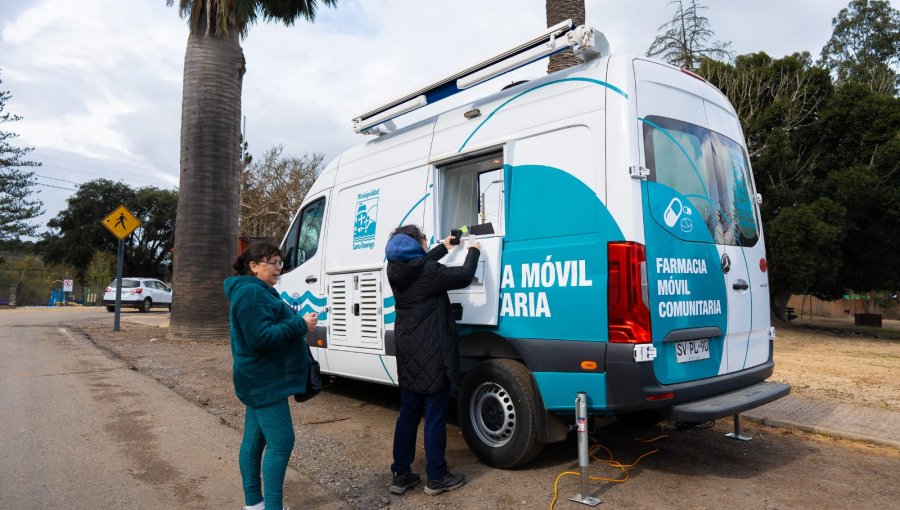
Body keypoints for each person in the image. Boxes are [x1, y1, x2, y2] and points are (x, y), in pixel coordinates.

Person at [384, 224, 481, 496]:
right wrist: (473, 250)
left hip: (408, 351)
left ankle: (401, 474)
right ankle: (436, 476)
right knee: (435, 415)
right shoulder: (427, 272)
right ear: (415, 244)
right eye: (425, 241)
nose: (427, 244)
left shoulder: (395, 268)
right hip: (431, 352)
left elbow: (421, 264)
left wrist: (445, 247)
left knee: (408, 415)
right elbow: (463, 276)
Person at [224, 241, 318, 510]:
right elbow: (260, 338)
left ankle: (254, 504)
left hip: (257, 378)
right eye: (272, 263)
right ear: (253, 266)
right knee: (281, 441)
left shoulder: (255, 290)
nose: (279, 268)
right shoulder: (252, 294)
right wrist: (300, 325)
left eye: (280, 262)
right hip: (264, 381)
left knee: (254, 440)